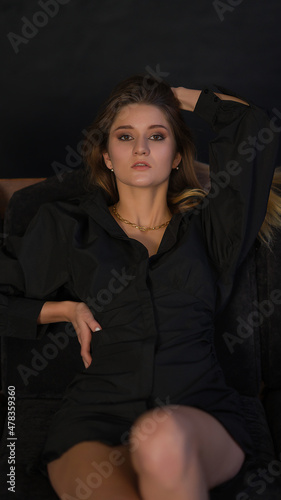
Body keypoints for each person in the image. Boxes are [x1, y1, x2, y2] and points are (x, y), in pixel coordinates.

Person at [1, 74, 281, 500]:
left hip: (199, 412)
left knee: (160, 435)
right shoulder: (68, 228)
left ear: (175, 156)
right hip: (95, 416)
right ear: (107, 156)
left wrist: (172, 97)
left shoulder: (211, 231)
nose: (141, 148)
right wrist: (61, 310)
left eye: (157, 135)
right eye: (125, 135)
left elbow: (254, 127)